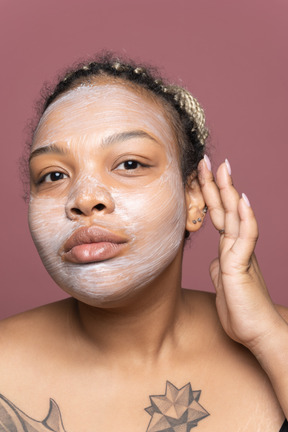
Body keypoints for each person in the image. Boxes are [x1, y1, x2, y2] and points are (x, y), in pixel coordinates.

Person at [0, 52, 287, 432]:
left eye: (129, 164)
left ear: (194, 199)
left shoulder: (278, 337)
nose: (85, 198)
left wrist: (268, 338)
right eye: (53, 175)